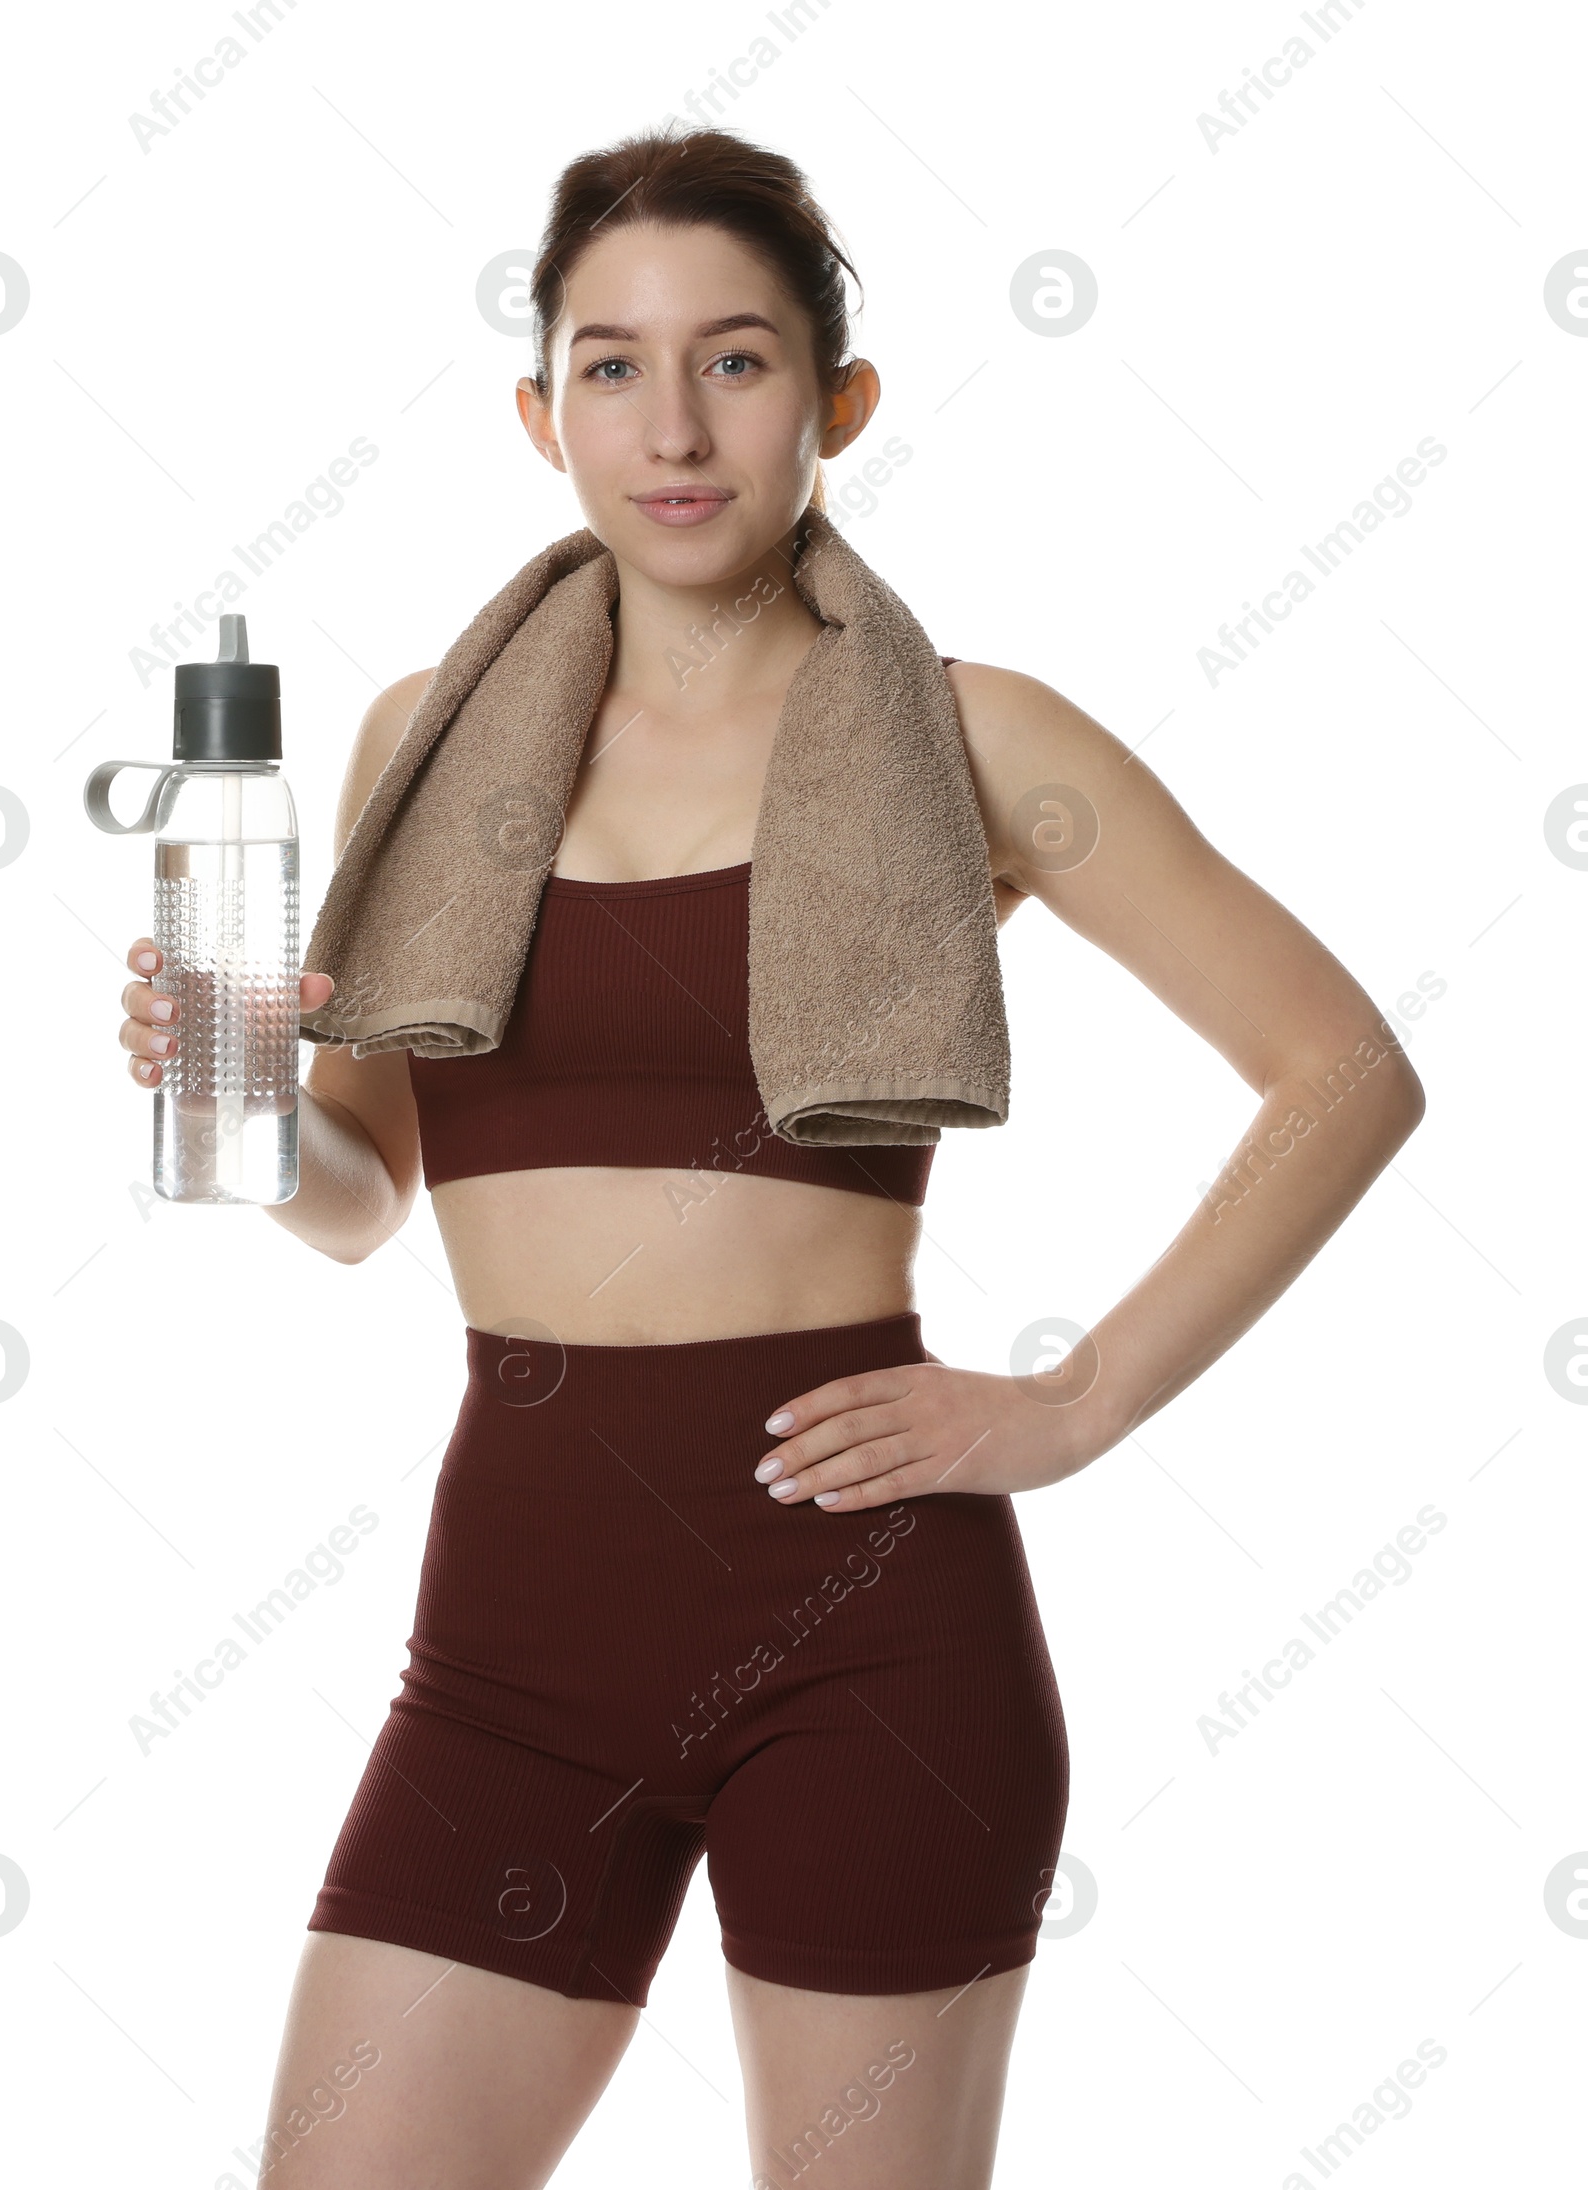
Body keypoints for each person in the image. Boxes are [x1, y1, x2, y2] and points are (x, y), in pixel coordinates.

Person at [116, 126, 1424, 2190]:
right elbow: (364, 1205)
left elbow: (1339, 1068)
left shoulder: (973, 740)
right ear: (540, 415)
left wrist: (1073, 1400)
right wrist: (248, 1105)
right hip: (510, 1636)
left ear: (835, 398)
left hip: (868, 1619)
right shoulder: (415, 746)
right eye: (612, 368)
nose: (673, 424)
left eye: (732, 361)